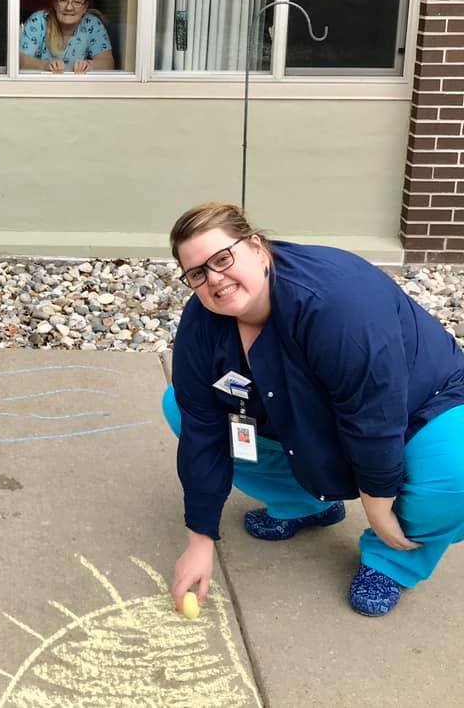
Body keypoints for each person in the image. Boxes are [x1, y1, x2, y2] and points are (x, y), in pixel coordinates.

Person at [163, 202, 464, 617]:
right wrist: (199, 539)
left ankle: (392, 560)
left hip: (421, 403)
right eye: (198, 273)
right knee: (179, 407)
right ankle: (307, 504)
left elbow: (373, 413)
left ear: (256, 246)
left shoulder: (335, 301)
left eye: (222, 258)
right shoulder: (203, 323)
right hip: (318, 409)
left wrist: (377, 507)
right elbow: (202, 430)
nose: (214, 279)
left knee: (455, 472)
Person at [20, 0, 115, 73]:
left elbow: (108, 63)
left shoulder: (92, 24)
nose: (69, 7)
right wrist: (45, 65)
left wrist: (89, 65)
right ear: (55, 3)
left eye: (77, 2)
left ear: (85, 7)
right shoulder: (39, 21)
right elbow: (20, 60)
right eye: (63, 0)